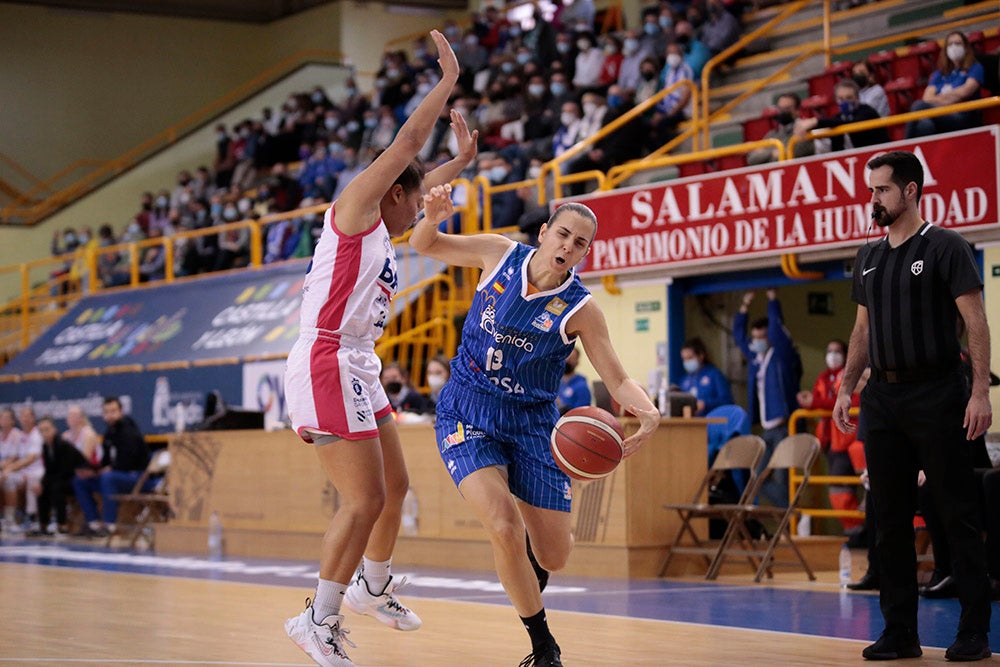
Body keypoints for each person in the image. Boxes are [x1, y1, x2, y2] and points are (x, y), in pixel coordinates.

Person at [282, 31, 477, 667]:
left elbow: (421, 176)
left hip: (359, 364)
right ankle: (318, 617)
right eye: (416, 196)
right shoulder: (358, 207)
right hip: (326, 358)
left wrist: (460, 167)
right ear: (392, 192)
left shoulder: (387, 229)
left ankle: (371, 585)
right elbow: (408, 150)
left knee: (396, 488)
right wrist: (446, 83)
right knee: (363, 499)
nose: (423, 205)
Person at [409, 197, 660, 667]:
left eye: (579, 243)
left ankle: (526, 560)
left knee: (555, 555)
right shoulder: (497, 253)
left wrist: (650, 413)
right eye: (562, 234)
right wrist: (433, 218)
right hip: (468, 410)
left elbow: (617, 379)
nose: (568, 246)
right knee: (503, 524)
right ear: (544, 232)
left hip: (533, 423)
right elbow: (425, 243)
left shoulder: (582, 309)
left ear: (585, 254)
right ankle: (543, 646)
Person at [832, 150, 992, 662]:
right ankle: (900, 630)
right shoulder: (868, 256)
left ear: (911, 191)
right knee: (889, 519)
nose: (872, 199)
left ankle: (973, 631)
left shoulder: (945, 246)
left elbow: (976, 322)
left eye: (881, 190)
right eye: (871, 190)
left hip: (940, 392)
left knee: (957, 516)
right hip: (883, 398)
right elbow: (861, 331)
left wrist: (980, 392)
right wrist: (846, 386)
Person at [732, 289, 802, 507]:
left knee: (782, 478)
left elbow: (777, 330)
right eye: (755, 338)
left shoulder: (781, 355)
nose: (757, 341)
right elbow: (738, 336)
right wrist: (744, 305)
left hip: (784, 427)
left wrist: (773, 302)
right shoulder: (756, 358)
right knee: (757, 478)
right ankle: (791, 512)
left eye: (762, 337)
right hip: (767, 429)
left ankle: (790, 518)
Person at [72, 397, 151, 538]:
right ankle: (94, 524)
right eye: (106, 412)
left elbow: (128, 462)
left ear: (121, 412)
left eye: (113, 411)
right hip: (115, 477)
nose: (110, 415)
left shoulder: (129, 431)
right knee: (80, 480)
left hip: (137, 477)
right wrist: (93, 471)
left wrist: (107, 470)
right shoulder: (109, 433)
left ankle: (110, 525)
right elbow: (105, 462)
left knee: (108, 477)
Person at [905, 31, 984, 138]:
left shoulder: (975, 67)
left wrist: (937, 100)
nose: (954, 47)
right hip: (941, 115)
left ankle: (903, 147)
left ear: (966, 47)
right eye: (950, 44)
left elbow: (965, 92)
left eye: (958, 43)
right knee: (925, 125)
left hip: (964, 117)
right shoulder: (939, 74)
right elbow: (927, 98)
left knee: (918, 105)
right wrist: (951, 98)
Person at [794, 79, 888, 153]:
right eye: (841, 99)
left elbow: (851, 124)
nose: (845, 102)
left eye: (849, 97)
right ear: (836, 100)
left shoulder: (867, 111)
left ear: (857, 98)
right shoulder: (837, 118)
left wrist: (815, 121)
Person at [33, 416, 86, 536]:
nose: (44, 433)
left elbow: (65, 471)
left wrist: (47, 483)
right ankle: (43, 524)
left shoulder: (62, 445)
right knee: (41, 489)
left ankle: (62, 524)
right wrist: (41, 484)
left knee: (56, 488)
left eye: (47, 429)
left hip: (77, 478)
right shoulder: (45, 447)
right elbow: (49, 471)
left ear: (54, 430)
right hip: (61, 478)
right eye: (41, 431)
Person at [746, 93, 816, 165]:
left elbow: (795, 154)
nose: (782, 112)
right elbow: (752, 159)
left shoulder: (804, 131)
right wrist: (773, 153)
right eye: (780, 108)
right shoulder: (772, 134)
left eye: (787, 108)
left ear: (797, 110)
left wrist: (765, 153)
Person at [679, 337, 734, 417]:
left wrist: (705, 404)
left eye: (690, 358)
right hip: (690, 425)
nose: (687, 362)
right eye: (684, 359)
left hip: (713, 422)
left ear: (701, 356)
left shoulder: (714, 375)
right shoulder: (684, 381)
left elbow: (727, 401)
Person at [0, 408, 26, 532]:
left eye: (6, 418)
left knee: (7, 478)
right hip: (3, 470)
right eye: (1, 418)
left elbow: (13, 458)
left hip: (18, 470)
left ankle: (10, 519)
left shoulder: (17, 435)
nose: (3, 420)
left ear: (12, 421)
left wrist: (4, 468)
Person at [556, 347, 592, 415]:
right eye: (566, 357)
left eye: (571, 358)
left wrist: (561, 405)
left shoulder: (581, 386)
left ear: (577, 362)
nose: (567, 361)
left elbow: (582, 414)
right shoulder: (556, 383)